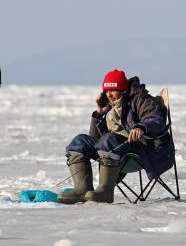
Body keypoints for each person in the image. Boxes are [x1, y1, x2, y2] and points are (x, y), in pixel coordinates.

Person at [58, 69, 175, 204]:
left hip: (143, 150)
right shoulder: (110, 108)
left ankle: (105, 191)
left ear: (122, 89)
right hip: (115, 149)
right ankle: (81, 190)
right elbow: (96, 140)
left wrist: (141, 127)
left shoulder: (140, 99)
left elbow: (156, 120)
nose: (109, 94)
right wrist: (99, 113)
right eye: (106, 91)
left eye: (112, 90)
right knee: (79, 142)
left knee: (109, 140)